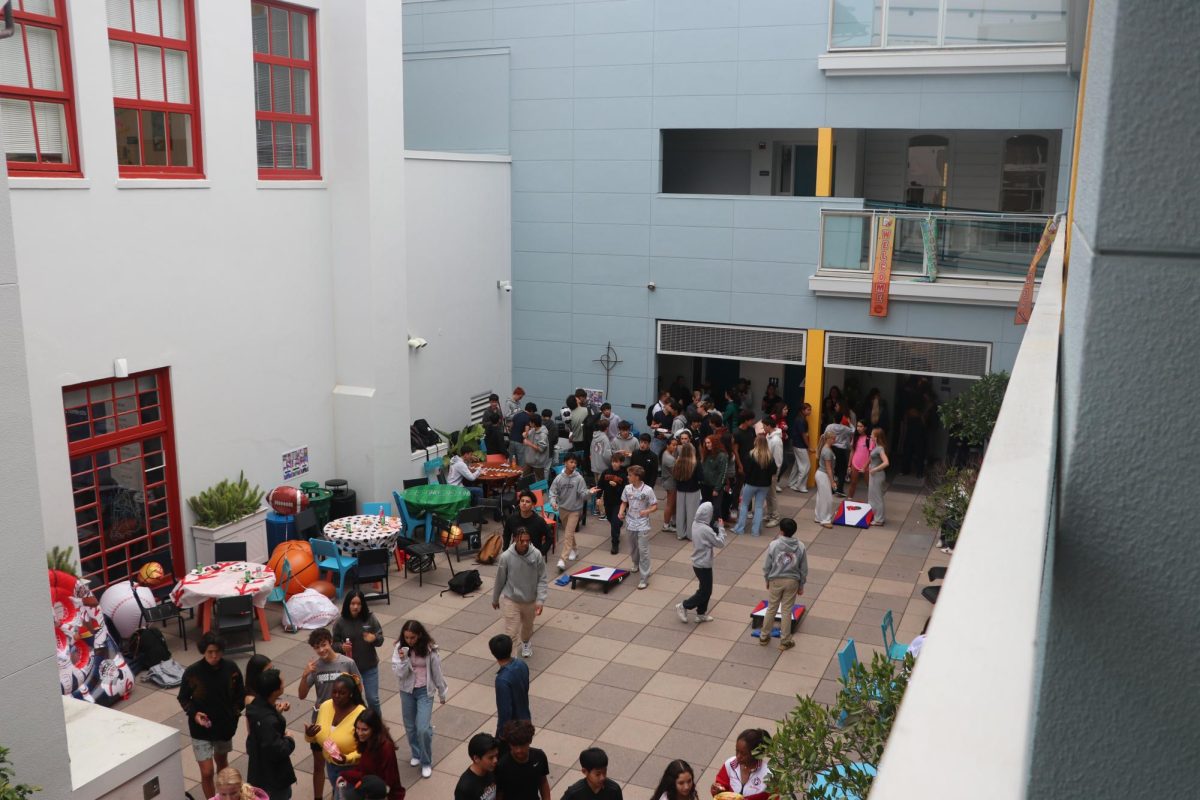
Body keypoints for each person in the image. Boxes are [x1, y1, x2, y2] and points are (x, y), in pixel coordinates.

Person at [179, 632, 245, 800]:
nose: (214, 655)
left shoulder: (231, 668)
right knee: (207, 771)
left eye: (217, 651)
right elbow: (183, 698)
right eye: (210, 652)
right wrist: (194, 714)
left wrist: (234, 715)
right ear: (204, 651)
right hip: (200, 729)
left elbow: (240, 695)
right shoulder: (193, 672)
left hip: (224, 727)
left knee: (222, 766)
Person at [299, 628, 361, 800]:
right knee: (319, 764)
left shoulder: (347, 663)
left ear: (331, 642)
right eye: (317, 647)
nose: (321, 650)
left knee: (340, 762)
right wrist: (304, 676)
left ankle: (340, 792)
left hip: (343, 722)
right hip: (321, 722)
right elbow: (302, 695)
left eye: (323, 645)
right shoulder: (315, 667)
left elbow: (359, 688)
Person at [392, 620, 448, 779]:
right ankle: (416, 753)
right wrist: (404, 660)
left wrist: (442, 692)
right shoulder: (400, 648)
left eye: (413, 637)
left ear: (420, 635)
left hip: (425, 691)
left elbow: (437, 671)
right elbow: (399, 674)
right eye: (407, 637)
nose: (409, 641)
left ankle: (426, 761)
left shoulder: (430, 649)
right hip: (407, 690)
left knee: (422, 728)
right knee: (410, 726)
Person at [304, 674, 366, 799]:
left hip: (351, 770)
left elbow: (367, 749)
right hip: (331, 766)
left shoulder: (361, 714)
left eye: (342, 693)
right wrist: (309, 735)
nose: (336, 696)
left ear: (351, 694)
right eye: (334, 692)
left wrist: (346, 759)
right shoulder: (326, 706)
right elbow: (318, 736)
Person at [493, 527, 548, 658]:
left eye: (527, 541)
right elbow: (500, 579)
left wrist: (540, 600)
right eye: (522, 541)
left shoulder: (536, 555)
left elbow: (542, 578)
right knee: (511, 633)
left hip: (530, 600)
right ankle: (512, 660)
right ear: (515, 539)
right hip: (511, 599)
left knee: (528, 628)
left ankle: (526, 642)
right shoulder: (506, 557)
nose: (525, 543)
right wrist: (495, 598)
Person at [245, 668, 297, 800]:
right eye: (282, 683)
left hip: (258, 771)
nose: (284, 684)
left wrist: (275, 712)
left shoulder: (256, 707)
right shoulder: (268, 720)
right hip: (273, 778)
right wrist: (289, 739)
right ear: (275, 691)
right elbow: (277, 749)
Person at [333, 590, 385, 716]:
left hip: (369, 665)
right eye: (352, 604)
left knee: (373, 699)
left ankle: (377, 724)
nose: (356, 607)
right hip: (349, 669)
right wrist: (341, 647)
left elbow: (380, 639)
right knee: (353, 700)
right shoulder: (340, 622)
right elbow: (334, 644)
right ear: (347, 604)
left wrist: (374, 638)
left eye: (359, 604)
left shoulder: (370, 619)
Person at [760, 518, 807, 651]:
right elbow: (803, 569)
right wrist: (801, 585)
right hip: (792, 581)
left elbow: (766, 566)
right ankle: (785, 640)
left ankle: (764, 636)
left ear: (781, 531)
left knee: (772, 608)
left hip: (775, 579)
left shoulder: (774, 545)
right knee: (787, 610)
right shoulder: (801, 546)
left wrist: (767, 579)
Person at [676, 501, 725, 624]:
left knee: (704, 589)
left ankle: (701, 613)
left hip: (698, 562)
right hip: (703, 564)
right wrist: (721, 528)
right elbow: (720, 543)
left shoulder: (695, 523)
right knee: (705, 591)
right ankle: (684, 605)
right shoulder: (706, 529)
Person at [339, 709, 405, 800]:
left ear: (374, 729)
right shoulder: (367, 741)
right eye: (357, 728)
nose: (360, 733)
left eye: (364, 730)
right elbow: (363, 769)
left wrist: (345, 775)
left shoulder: (385, 748)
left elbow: (391, 779)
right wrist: (345, 776)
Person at [619, 464, 658, 590]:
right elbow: (624, 502)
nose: (628, 477)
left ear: (637, 477)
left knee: (643, 550)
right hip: (630, 522)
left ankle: (644, 577)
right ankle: (636, 563)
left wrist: (647, 511)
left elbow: (654, 506)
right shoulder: (627, 488)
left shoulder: (648, 490)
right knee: (633, 547)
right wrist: (621, 512)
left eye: (630, 475)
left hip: (643, 524)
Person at [549, 454, 589, 571]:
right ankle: (575, 550)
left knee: (567, 535)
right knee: (569, 533)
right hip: (563, 509)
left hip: (575, 510)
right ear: (565, 463)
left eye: (575, 463)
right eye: (571, 462)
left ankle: (562, 559)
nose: (574, 465)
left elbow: (583, 494)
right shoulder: (559, 478)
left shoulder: (579, 478)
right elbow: (552, 492)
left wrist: (589, 493)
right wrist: (553, 502)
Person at [494, 720, 551, 800]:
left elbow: (543, 782)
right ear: (509, 744)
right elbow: (499, 794)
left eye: (522, 745)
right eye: (514, 746)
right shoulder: (502, 765)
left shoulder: (539, 756)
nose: (519, 750)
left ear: (530, 741)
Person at [711, 729, 772, 800]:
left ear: (755, 754)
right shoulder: (730, 764)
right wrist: (718, 791)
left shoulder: (768, 774)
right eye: (737, 751)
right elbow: (721, 787)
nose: (738, 756)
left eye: (743, 754)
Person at [734, 435, 776, 537]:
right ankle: (755, 531)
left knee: (744, 505)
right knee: (759, 507)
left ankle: (740, 529)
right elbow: (773, 471)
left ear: (756, 443)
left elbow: (746, 470)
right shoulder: (769, 457)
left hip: (751, 483)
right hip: (764, 485)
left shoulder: (750, 455)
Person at [490, 634, 531, 737]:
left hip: (513, 731)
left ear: (493, 653)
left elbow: (505, 711)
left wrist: (501, 735)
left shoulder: (502, 680)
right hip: (526, 720)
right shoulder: (522, 664)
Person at [243, 655, 290, 736]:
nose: (272, 673)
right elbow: (253, 726)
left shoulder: (265, 691)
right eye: (268, 670)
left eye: (272, 668)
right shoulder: (251, 699)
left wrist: (279, 708)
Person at [504, 490, 552, 555]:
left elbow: (549, 537)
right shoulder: (511, 519)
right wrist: (505, 550)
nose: (524, 503)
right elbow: (506, 535)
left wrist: (541, 552)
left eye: (527, 501)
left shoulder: (539, 521)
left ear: (533, 504)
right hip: (516, 554)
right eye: (522, 501)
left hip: (533, 556)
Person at [597, 452, 628, 554]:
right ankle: (619, 524)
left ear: (621, 463)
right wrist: (598, 497)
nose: (614, 464)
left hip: (619, 503)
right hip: (608, 501)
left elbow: (626, 490)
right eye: (613, 461)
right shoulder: (606, 472)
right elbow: (600, 485)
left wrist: (617, 486)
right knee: (610, 519)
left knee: (614, 523)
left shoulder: (624, 475)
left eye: (617, 462)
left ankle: (615, 543)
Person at [454, 733, 500, 800]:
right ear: (476, 758)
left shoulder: (493, 769)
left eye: (496, 755)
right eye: (491, 757)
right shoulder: (465, 788)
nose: (495, 760)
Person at [672, 442, 701, 542]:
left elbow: (675, 476)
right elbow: (701, 477)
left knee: (680, 512)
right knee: (692, 513)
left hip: (680, 490)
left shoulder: (678, 462)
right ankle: (691, 534)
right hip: (693, 490)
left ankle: (680, 533)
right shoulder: (696, 463)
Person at [761, 417, 784, 528]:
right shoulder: (768, 436)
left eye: (764, 426)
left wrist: (775, 474)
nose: (763, 428)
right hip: (766, 471)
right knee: (768, 494)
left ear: (769, 426)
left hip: (772, 472)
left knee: (772, 495)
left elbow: (778, 460)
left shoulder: (776, 440)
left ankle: (776, 517)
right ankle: (770, 513)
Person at [698, 435, 728, 518]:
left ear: (714, 443)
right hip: (705, 485)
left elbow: (722, 473)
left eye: (709, 443)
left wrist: (717, 489)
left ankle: (716, 523)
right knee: (705, 507)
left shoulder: (722, 456)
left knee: (716, 508)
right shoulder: (706, 454)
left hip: (715, 486)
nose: (707, 445)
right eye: (706, 443)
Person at [823, 418, 854, 497]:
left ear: (834, 419)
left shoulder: (829, 426)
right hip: (841, 450)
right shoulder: (845, 428)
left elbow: (824, 435)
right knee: (842, 470)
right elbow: (853, 431)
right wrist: (850, 423)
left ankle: (832, 488)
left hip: (832, 448)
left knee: (832, 468)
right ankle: (839, 489)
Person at [813, 431, 837, 529]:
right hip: (823, 475)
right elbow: (828, 468)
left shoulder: (826, 448)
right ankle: (825, 519)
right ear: (828, 439)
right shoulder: (827, 451)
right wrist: (832, 482)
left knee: (821, 497)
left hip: (821, 474)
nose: (835, 440)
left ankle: (818, 517)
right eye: (833, 438)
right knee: (827, 499)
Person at [867, 427, 890, 526]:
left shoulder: (880, 448)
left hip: (877, 475)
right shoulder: (877, 447)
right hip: (874, 475)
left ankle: (879, 519)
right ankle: (875, 516)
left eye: (872, 434)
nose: (870, 436)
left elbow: (886, 462)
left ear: (876, 437)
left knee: (877, 497)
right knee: (873, 496)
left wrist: (875, 469)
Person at [787, 403, 812, 492]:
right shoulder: (801, 420)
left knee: (797, 465)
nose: (810, 411)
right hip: (800, 446)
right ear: (802, 410)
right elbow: (803, 435)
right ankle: (799, 485)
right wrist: (808, 446)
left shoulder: (800, 419)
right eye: (808, 409)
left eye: (810, 409)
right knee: (806, 466)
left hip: (797, 445)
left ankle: (791, 482)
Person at [846, 420, 871, 499]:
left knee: (869, 485)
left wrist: (865, 466)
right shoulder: (855, 437)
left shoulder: (869, 439)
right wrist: (849, 465)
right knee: (853, 483)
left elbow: (871, 455)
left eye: (861, 426)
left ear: (865, 428)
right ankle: (849, 500)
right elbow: (852, 451)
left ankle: (873, 502)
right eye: (857, 426)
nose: (858, 428)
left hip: (866, 466)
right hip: (855, 463)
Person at [523, 414, 551, 481]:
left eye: (530, 422)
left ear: (534, 423)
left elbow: (541, 449)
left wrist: (529, 443)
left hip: (538, 463)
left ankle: (542, 489)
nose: (529, 423)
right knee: (525, 478)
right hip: (530, 461)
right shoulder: (533, 430)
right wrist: (525, 433)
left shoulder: (543, 435)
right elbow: (526, 435)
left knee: (539, 481)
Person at [659, 437, 678, 533]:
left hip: (668, 481)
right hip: (670, 483)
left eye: (676, 445)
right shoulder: (669, 458)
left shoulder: (666, 454)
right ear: (667, 445)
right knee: (670, 504)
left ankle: (673, 521)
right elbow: (675, 473)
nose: (675, 447)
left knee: (673, 503)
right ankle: (666, 525)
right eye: (673, 445)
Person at [509, 401, 536, 466]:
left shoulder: (516, 415)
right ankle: (521, 473)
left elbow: (510, 427)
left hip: (512, 440)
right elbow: (526, 432)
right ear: (531, 411)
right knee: (521, 462)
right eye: (533, 412)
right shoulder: (528, 418)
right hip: (520, 442)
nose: (533, 414)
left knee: (512, 461)